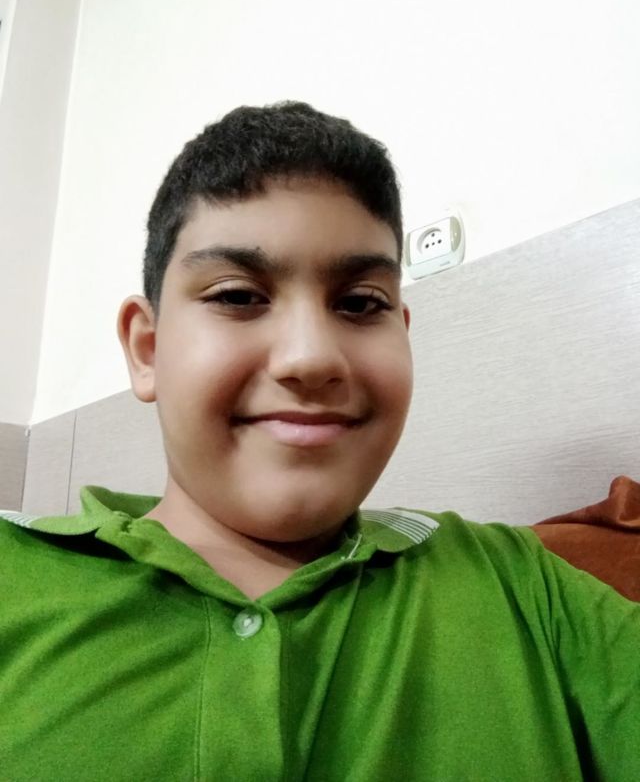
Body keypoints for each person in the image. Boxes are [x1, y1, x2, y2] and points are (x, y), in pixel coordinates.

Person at [1, 102, 639, 781]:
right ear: (147, 349)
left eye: (360, 303)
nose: (311, 357)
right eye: (237, 295)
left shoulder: (525, 585)